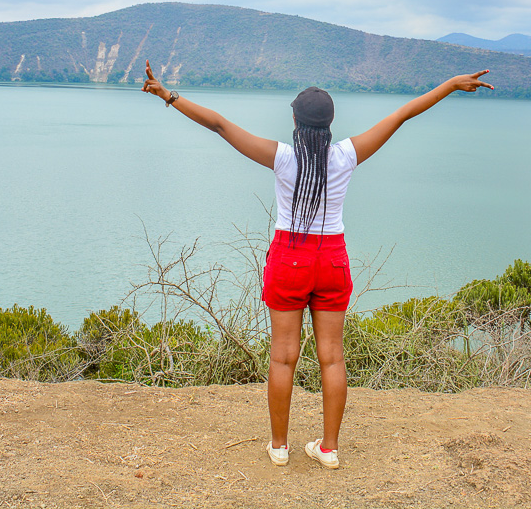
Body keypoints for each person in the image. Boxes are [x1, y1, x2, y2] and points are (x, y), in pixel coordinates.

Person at [140, 60, 493, 469]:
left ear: (295, 121)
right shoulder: (347, 155)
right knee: (332, 357)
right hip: (332, 260)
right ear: (330, 123)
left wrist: (169, 95)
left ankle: (279, 447)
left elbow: (219, 125)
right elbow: (402, 115)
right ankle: (329, 449)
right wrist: (449, 84)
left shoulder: (282, 158)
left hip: (290, 257)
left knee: (282, 357)